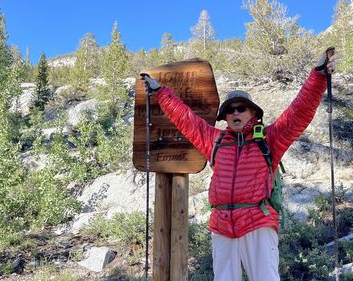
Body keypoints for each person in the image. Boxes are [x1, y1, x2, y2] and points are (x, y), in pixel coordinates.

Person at [140, 48, 336, 281]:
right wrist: (160, 92)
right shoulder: (215, 140)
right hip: (222, 226)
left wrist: (319, 76)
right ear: (225, 117)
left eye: (241, 108)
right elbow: (186, 120)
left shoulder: (270, 139)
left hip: (258, 223)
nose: (235, 113)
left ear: (252, 112)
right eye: (230, 110)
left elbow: (299, 112)